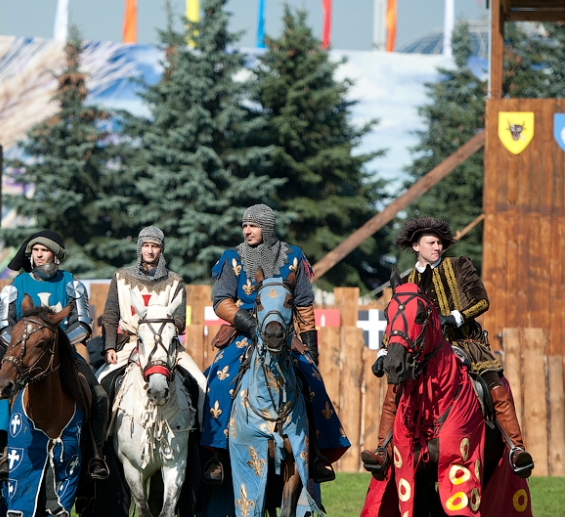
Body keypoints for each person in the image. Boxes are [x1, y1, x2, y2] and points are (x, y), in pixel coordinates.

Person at [362, 216, 533, 477]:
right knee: (395, 388)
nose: (437, 247)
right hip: (421, 352)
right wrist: (385, 351)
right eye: (431, 242)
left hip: (466, 342)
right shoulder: (406, 281)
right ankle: (383, 450)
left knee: (494, 384)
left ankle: (514, 448)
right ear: (416, 246)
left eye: (440, 243)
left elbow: (481, 301)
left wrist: (454, 317)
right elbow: (399, 321)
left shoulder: (460, 266)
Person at [200, 204, 348, 484]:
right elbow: (221, 302)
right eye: (244, 225)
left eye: (253, 225)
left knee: (313, 381)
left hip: (284, 337)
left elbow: (304, 305)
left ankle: (316, 454)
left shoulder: (293, 257)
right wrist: (251, 325)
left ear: (267, 227)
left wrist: (311, 349)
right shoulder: (232, 258)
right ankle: (216, 456)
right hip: (243, 334)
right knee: (219, 379)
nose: (247, 230)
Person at [0, 229, 109, 480]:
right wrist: (22, 351)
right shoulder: (15, 287)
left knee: (99, 396)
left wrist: (58, 347)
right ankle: (6, 452)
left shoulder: (71, 283)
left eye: (43, 251)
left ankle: (95, 454)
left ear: (55, 255)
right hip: (23, 359)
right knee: (2, 389)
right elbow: (4, 327)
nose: (38, 255)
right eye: (35, 251)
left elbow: (83, 324)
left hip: (65, 356)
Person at [97, 225, 205, 412]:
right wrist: (109, 347)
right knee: (99, 384)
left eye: (154, 246)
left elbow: (180, 317)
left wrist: (166, 328)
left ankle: (199, 439)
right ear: (139, 247)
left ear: (161, 249)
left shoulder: (174, 281)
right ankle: (100, 440)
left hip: (167, 347)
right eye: (145, 245)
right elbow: (111, 314)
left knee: (201, 382)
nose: (149, 250)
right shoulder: (121, 277)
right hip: (131, 345)